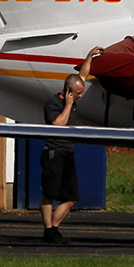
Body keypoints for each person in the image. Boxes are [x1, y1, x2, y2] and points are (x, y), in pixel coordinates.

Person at [40, 46, 104, 244]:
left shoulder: (75, 93)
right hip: (53, 152)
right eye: (78, 94)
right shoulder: (53, 104)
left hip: (68, 152)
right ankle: (48, 231)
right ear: (68, 92)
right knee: (50, 194)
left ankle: (53, 229)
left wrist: (89, 56)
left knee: (72, 197)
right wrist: (68, 105)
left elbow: (82, 75)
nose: (80, 96)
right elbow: (58, 125)